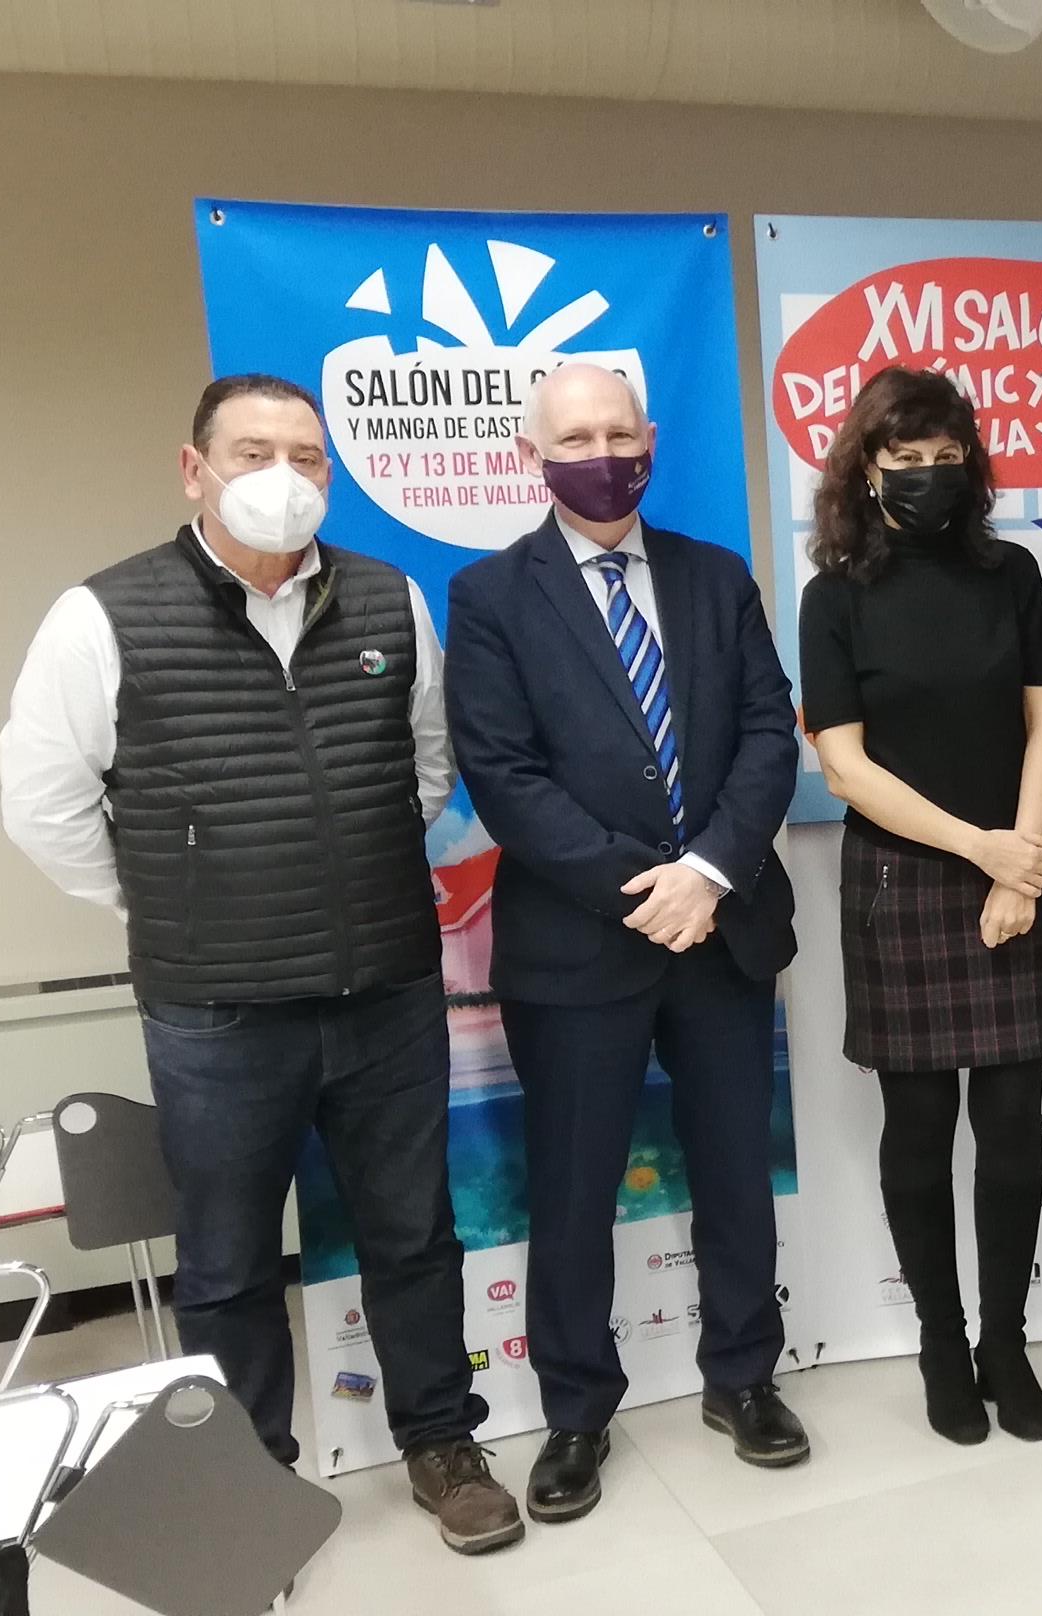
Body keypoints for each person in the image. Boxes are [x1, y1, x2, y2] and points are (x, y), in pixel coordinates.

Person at [0, 375, 520, 1552]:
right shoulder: (103, 615)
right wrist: (171, 898)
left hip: (386, 986)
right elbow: (43, 806)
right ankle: (250, 1480)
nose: (282, 475)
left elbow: (426, 766)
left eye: (305, 455)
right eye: (252, 451)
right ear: (194, 469)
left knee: (413, 1233)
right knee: (228, 1259)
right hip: (217, 1012)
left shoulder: (387, 598)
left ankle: (442, 1441)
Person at [445, 363, 809, 1522]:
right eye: (574, 437)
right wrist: (645, 890)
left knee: (735, 1171)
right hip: (578, 947)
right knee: (572, 1187)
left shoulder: (716, 576)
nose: (601, 454)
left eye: (618, 432)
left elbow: (768, 731)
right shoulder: (490, 596)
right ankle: (575, 1410)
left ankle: (743, 1376)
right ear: (531, 454)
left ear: (649, 438)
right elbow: (503, 774)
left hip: (722, 927)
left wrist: (708, 874)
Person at [799, 366, 1042, 1446]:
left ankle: (1006, 1340)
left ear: (971, 463)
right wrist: (983, 852)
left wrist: (1020, 864)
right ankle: (940, 1340)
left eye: (944, 456)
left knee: (1011, 1132)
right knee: (917, 1130)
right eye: (903, 458)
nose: (925, 474)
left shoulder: (1010, 573)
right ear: (866, 469)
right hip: (905, 878)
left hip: (1019, 863)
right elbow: (846, 767)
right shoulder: (833, 595)